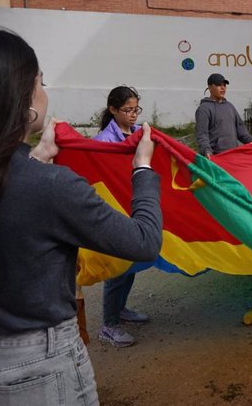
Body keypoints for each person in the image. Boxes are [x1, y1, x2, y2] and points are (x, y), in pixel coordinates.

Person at [0, 28, 162, 404]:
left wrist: (36, 157)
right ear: (25, 100)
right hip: (38, 364)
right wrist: (144, 170)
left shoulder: (27, 178)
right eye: (41, 81)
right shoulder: (50, 186)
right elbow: (144, 242)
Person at [94, 86, 151, 348]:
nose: (133, 114)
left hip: (132, 208)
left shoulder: (139, 133)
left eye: (136, 109)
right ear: (113, 110)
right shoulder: (105, 141)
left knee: (130, 265)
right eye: (127, 110)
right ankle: (109, 325)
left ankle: (121, 309)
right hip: (114, 211)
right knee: (116, 269)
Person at [195, 73, 252, 159]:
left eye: (224, 85)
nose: (223, 88)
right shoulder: (204, 109)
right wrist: (206, 150)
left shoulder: (230, 106)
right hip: (217, 158)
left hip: (234, 155)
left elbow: (241, 130)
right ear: (210, 87)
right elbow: (202, 134)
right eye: (219, 85)